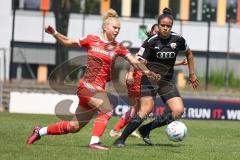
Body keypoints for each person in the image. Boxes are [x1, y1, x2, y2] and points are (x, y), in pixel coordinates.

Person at [26, 9, 160, 150]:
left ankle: (39, 131)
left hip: (97, 89)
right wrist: (54, 33)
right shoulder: (92, 39)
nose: (117, 31)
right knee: (107, 109)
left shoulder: (118, 47)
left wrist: (147, 72)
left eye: (119, 29)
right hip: (87, 86)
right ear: (105, 27)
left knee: (73, 127)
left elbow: (134, 60)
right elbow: (68, 42)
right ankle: (94, 142)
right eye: (114, 27)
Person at [114, 7, 199, 147]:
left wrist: (192, 74)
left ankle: (146, 129)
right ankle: (121, 139)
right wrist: (147, 72)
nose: (165, 28)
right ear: (158, 26)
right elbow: (138, 60)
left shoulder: (179, 39)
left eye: (168, 26)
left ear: (171, 27)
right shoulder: (150, 42)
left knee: (178, 111)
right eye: (162, 25)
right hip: (149, 80)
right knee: (146, 109)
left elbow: (189, 53)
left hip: (166, 81)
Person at [110, 24, 187, 138]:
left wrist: (180, 62)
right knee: (138, 107)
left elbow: (163, 63)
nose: (159, 34)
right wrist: (131, 74)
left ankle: (125, 129)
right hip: (138, 77)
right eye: (156, 32)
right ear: (152, 33)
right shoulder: (149, 44)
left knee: (140, 108)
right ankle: (117, 129)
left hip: (147, 79)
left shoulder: (159, 47)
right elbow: (136, 60)